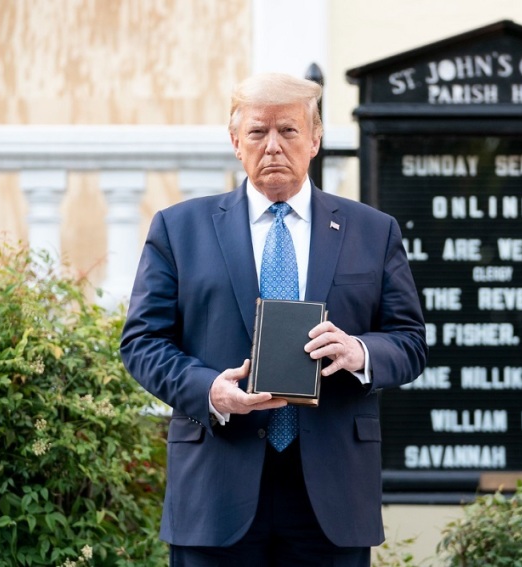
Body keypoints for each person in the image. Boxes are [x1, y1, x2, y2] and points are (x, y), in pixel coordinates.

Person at [120, 72, 428, 566]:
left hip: (332, 495)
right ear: (235, 141)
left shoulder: (372, 231)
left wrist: (361, 352)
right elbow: (141, 341)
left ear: (315, 139)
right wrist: (207, 390)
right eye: (258, 132)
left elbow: (410, 342)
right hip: (216, 487)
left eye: (288, 131)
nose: (273, 147)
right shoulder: (180, 229)